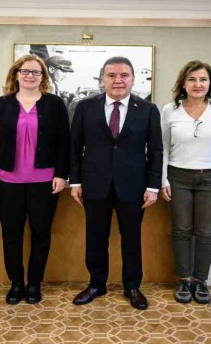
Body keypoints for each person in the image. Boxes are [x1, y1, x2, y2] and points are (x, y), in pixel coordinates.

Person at [69, 56, 163, 310]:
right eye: (111, 75)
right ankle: (96, 284)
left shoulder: (147, 109)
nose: (118, 80)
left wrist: (153, 186)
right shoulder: (85, 107)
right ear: (103, 79)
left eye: (124, 75)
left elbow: (156, 150)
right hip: (94, 183)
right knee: (95, 237)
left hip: (133, 185)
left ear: (133, 79)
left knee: (131, 238)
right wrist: (75, 182)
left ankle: (132, 286)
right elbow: (74, 147)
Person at [0, 55, 70, 305]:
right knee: (11, 234)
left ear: (43, 77)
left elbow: (64, 142)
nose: (30, 76)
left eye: (36, 72)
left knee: (41, 233)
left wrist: (61, 174)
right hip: (7, 181)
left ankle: (34, 283)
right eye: (25, 71)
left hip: (45, 181)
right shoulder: (2, 104)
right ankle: (16, 283)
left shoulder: (55, 104)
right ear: (16, 74)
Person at [160, 61, 211, 304]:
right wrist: (163, 179)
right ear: (183, 83)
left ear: (210, 83)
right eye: (192, 79)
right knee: (181, 230)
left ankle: (201, 281)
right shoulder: (170, 110)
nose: (198, 84)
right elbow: (162, 148)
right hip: (178, 177)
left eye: (203, 79)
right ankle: (184, 279)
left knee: (205, 232)